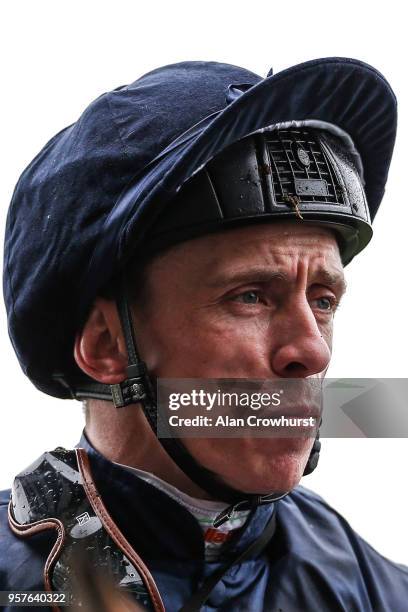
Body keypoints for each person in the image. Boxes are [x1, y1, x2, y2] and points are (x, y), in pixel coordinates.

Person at [1, 58, 407, 612]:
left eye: (323, 301)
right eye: (251, 296)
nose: (312, 351)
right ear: (105, 345)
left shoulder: (376, 590)